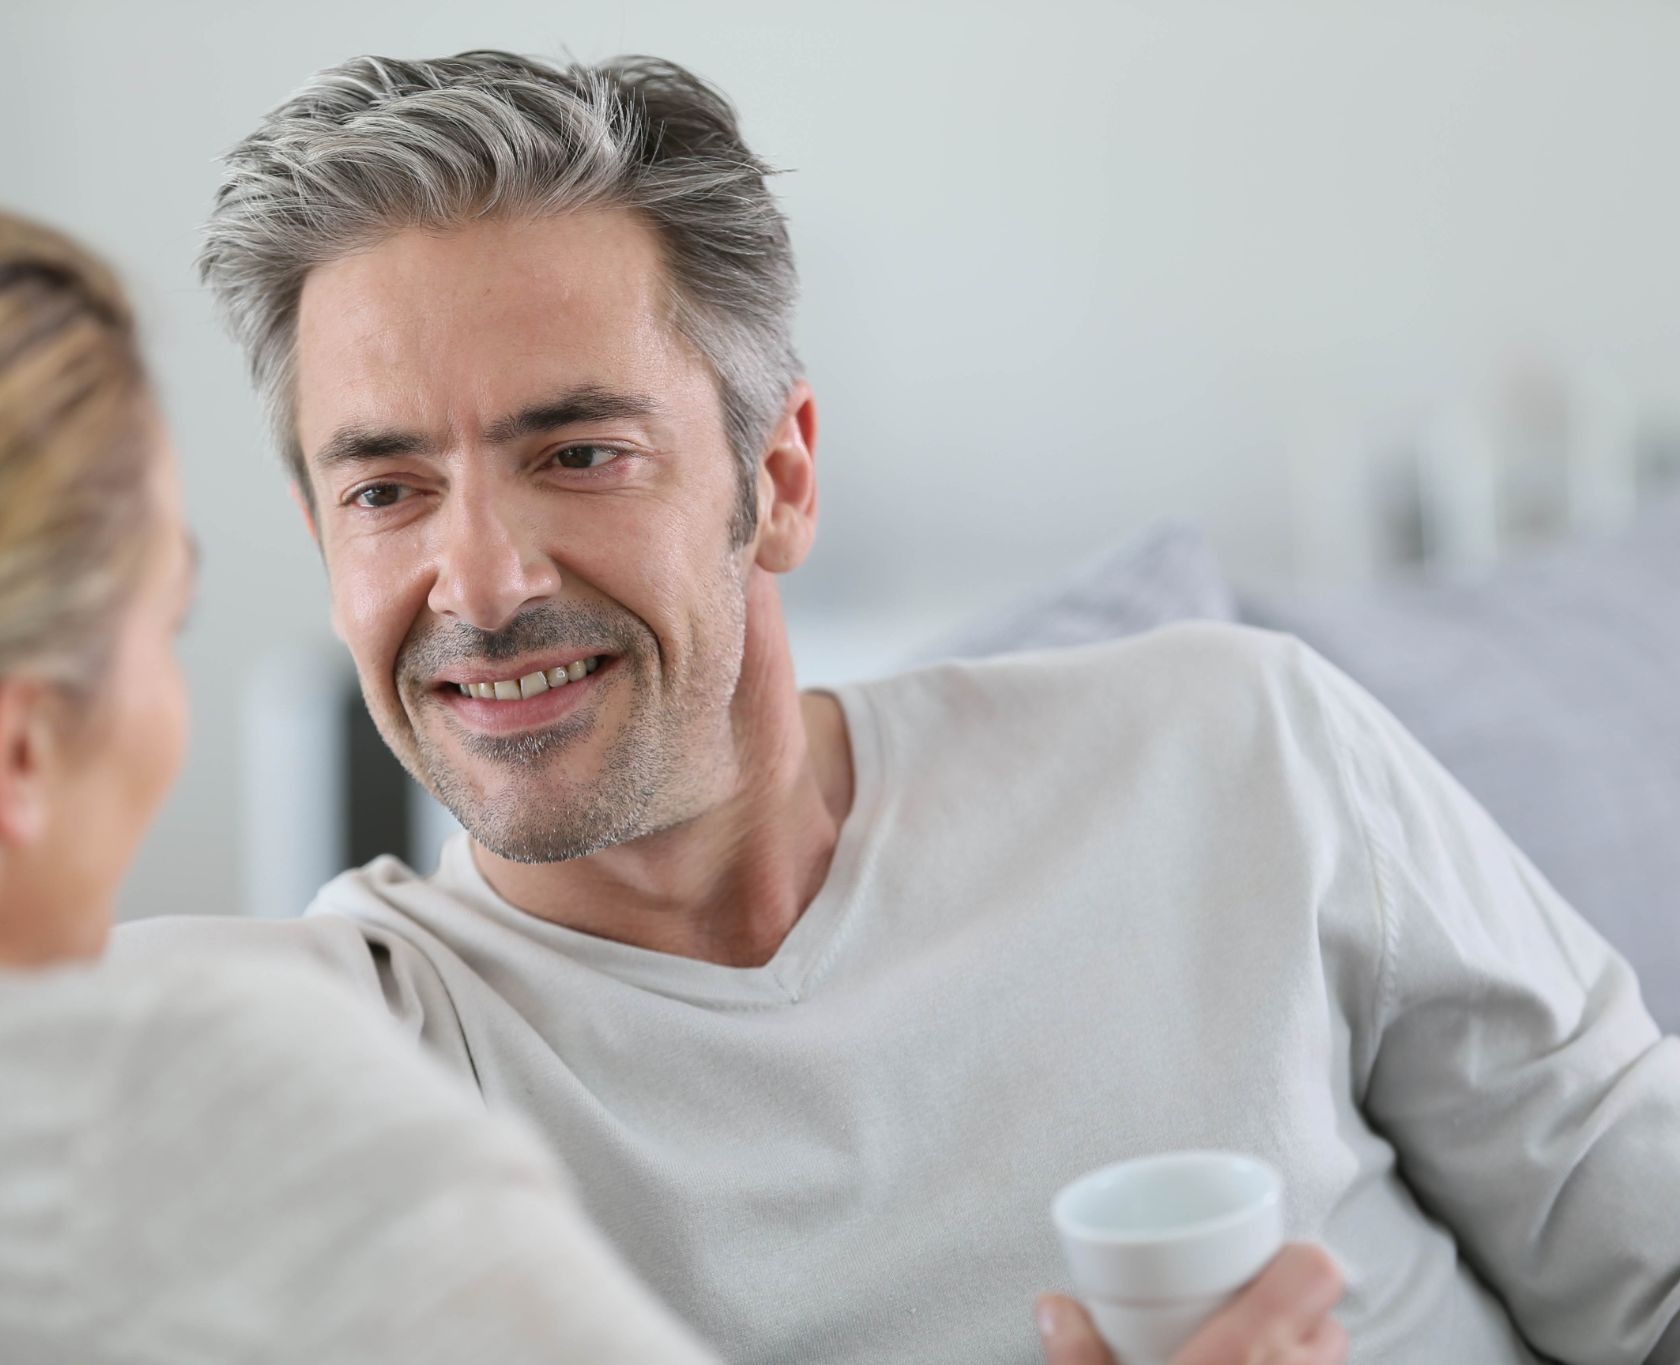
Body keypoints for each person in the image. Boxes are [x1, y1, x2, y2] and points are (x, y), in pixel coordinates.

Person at [119, 50, 1680, 1365]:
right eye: (387, 488)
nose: (476, 579)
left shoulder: (1231, 747)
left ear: (778, 478)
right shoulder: (348, 1069)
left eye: (580, 453)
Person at [0, 201, 717, 1364]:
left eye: (578, 456)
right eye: (167, 625)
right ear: (16, 752)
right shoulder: (175, 1109)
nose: (483, 585)